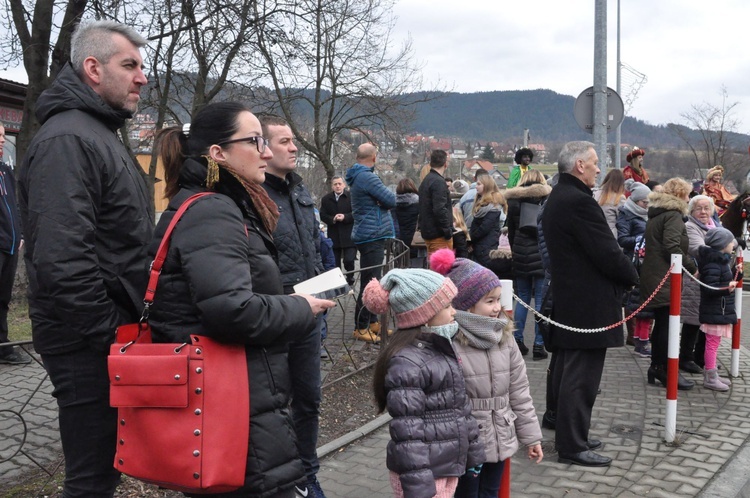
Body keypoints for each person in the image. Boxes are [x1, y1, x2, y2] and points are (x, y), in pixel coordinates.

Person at [151, 102, 335, 498]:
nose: (266, 151)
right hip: (231, 407)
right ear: (218, 154)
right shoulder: (214, 211)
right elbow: (232, 312)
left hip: (228, 402)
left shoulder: (213, 204)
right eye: (255, 141)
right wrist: (299, 307)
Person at [16, 21, 153, 496]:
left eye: (142, 67)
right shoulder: (68, 140)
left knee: (103, 470)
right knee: (91, 478)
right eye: (129, 65)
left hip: (104, 336)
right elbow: (62, 259)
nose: (142, 78)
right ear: (92, 68)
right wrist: (111, 336)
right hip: (86, 342)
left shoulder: (98, 133)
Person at [541, 141, 639, 467]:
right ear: (579, 165)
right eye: (595, 163)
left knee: (566, 367)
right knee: (581, 377)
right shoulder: (579, 202)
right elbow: (607, 251)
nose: (599, 168)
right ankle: (572, 444)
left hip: (571, 298)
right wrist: (632, 276)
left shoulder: (559, 196)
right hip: (587, 303)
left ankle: (567, 430)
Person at [430, 250, 543, 497]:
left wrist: (531, 437)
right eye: (489, 301)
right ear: (465, 303)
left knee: (491, 493)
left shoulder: (505, 338)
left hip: (501, 436)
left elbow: (520, 393)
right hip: (466, 444)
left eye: (498, 300)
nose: (497, 308)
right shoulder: (449, 342)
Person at [367, 268, 485, 498]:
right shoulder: (407, 362)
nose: (454, 312)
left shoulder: (441, 349)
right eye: (447, 306)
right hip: (425, 476)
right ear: (424, 314)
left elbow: (461, 408)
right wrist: (419, 484)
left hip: (445, 465)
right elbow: (408, 431)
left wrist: (473, 453)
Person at [259, 115, 328, 497]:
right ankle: (281, 481)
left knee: (309, 398)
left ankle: (307, 474)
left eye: (293, 140)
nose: (294, 147)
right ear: (263, 149)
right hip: (274, 315)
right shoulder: (255, 196)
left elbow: (313, 248)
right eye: (284, 141)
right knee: (275, 404)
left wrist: (324, 283)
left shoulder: (300, 192)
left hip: (309, 315)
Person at [640, 177, 698, 391]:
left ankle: (657, 366)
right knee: (666, 325)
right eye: (687, 194)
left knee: (662, 323)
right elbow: (672, 246)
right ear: (681, 195)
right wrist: (692, 267)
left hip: (654, 274)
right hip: (663, 277)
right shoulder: (673, 215)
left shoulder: (658, 214)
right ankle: (663, 368)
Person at [346, 143, 396, 342]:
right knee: (369, 284)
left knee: (374, 282)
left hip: (369, 234)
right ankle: (361, 327)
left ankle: (372, 320)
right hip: (372, 235)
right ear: (374, 158)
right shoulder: (367, 177)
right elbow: (391, 200)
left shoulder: (359, 176)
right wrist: (381, 202)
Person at [503, 169, 551, 359]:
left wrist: (516, 252)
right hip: (540, 254)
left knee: (522, 299)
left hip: (521, 254)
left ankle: (518, 340)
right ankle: (539, 344)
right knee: (540, 299)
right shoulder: (547, 199)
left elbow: (512, 232)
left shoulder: (514, 201)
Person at [0, 122, 28, 365]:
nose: (1, 140)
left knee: (3, 300)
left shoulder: (5, 170)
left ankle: (4, 348)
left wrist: (19, 234)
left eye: (2, 135)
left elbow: (15, 206)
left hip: (9, 247)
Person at [697, 227, 738, 391]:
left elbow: (723, 279)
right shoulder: (714, 264)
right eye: (730, 242)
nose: (733, 245)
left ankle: (712, 374)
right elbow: (710, 288)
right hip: (715, 310)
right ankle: (710, 377)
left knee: (714, 342)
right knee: (712, 343)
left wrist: (736, 274)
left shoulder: (721, 261)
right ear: (722, 245)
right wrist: (727, 288)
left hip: (718, 310)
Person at [616, 180, 653, 355]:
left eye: (648, 203)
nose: (646, 205)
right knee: (633, 300)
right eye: (643, 202)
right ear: (635, 201)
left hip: (646, 262)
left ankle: (643, 335)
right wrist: (640, 240)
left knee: (645, 300)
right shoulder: (626, 215)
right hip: (633, 261)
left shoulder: (647, 215)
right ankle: (633, 336)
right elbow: (622, 239)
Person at [319, 176, 356, 286]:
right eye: (335, 184)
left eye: (340, 183)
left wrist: (345, 217)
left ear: (344, 185)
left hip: (349, 235)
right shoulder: (326, 199)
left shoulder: (351, 197)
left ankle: (350, 276)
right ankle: (339, 282)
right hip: (334, 235)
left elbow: (357, 213)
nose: (338, 186)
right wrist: (332, 219)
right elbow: (323, 215)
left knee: (349, 260)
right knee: (335, 262)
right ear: (332, 186)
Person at [418, 149, 454, 258]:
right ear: (445, 164)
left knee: (433, 268)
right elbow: (439, 209)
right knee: (442, 270)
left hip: (428, 231)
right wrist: (447, 230)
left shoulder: (426, 181)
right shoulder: (438, 182)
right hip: (439, 235)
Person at [469, 175, 507, 275]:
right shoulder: (483, 205)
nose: (476, 187)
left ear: (486, 186)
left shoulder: (493, 207)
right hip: (482, 244)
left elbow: (484, 228)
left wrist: (471, 238)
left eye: (479, 184)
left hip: (485, 245)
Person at [594, 168, 626, 237]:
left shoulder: (595, 194)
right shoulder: (619, 198)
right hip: (611, 234)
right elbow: (623, 219)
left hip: (595, 232)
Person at [393, 178, 420, 261]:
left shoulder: (393, 205)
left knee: (401, 264)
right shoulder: (419, 203)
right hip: (415, 240)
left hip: (399, 241)